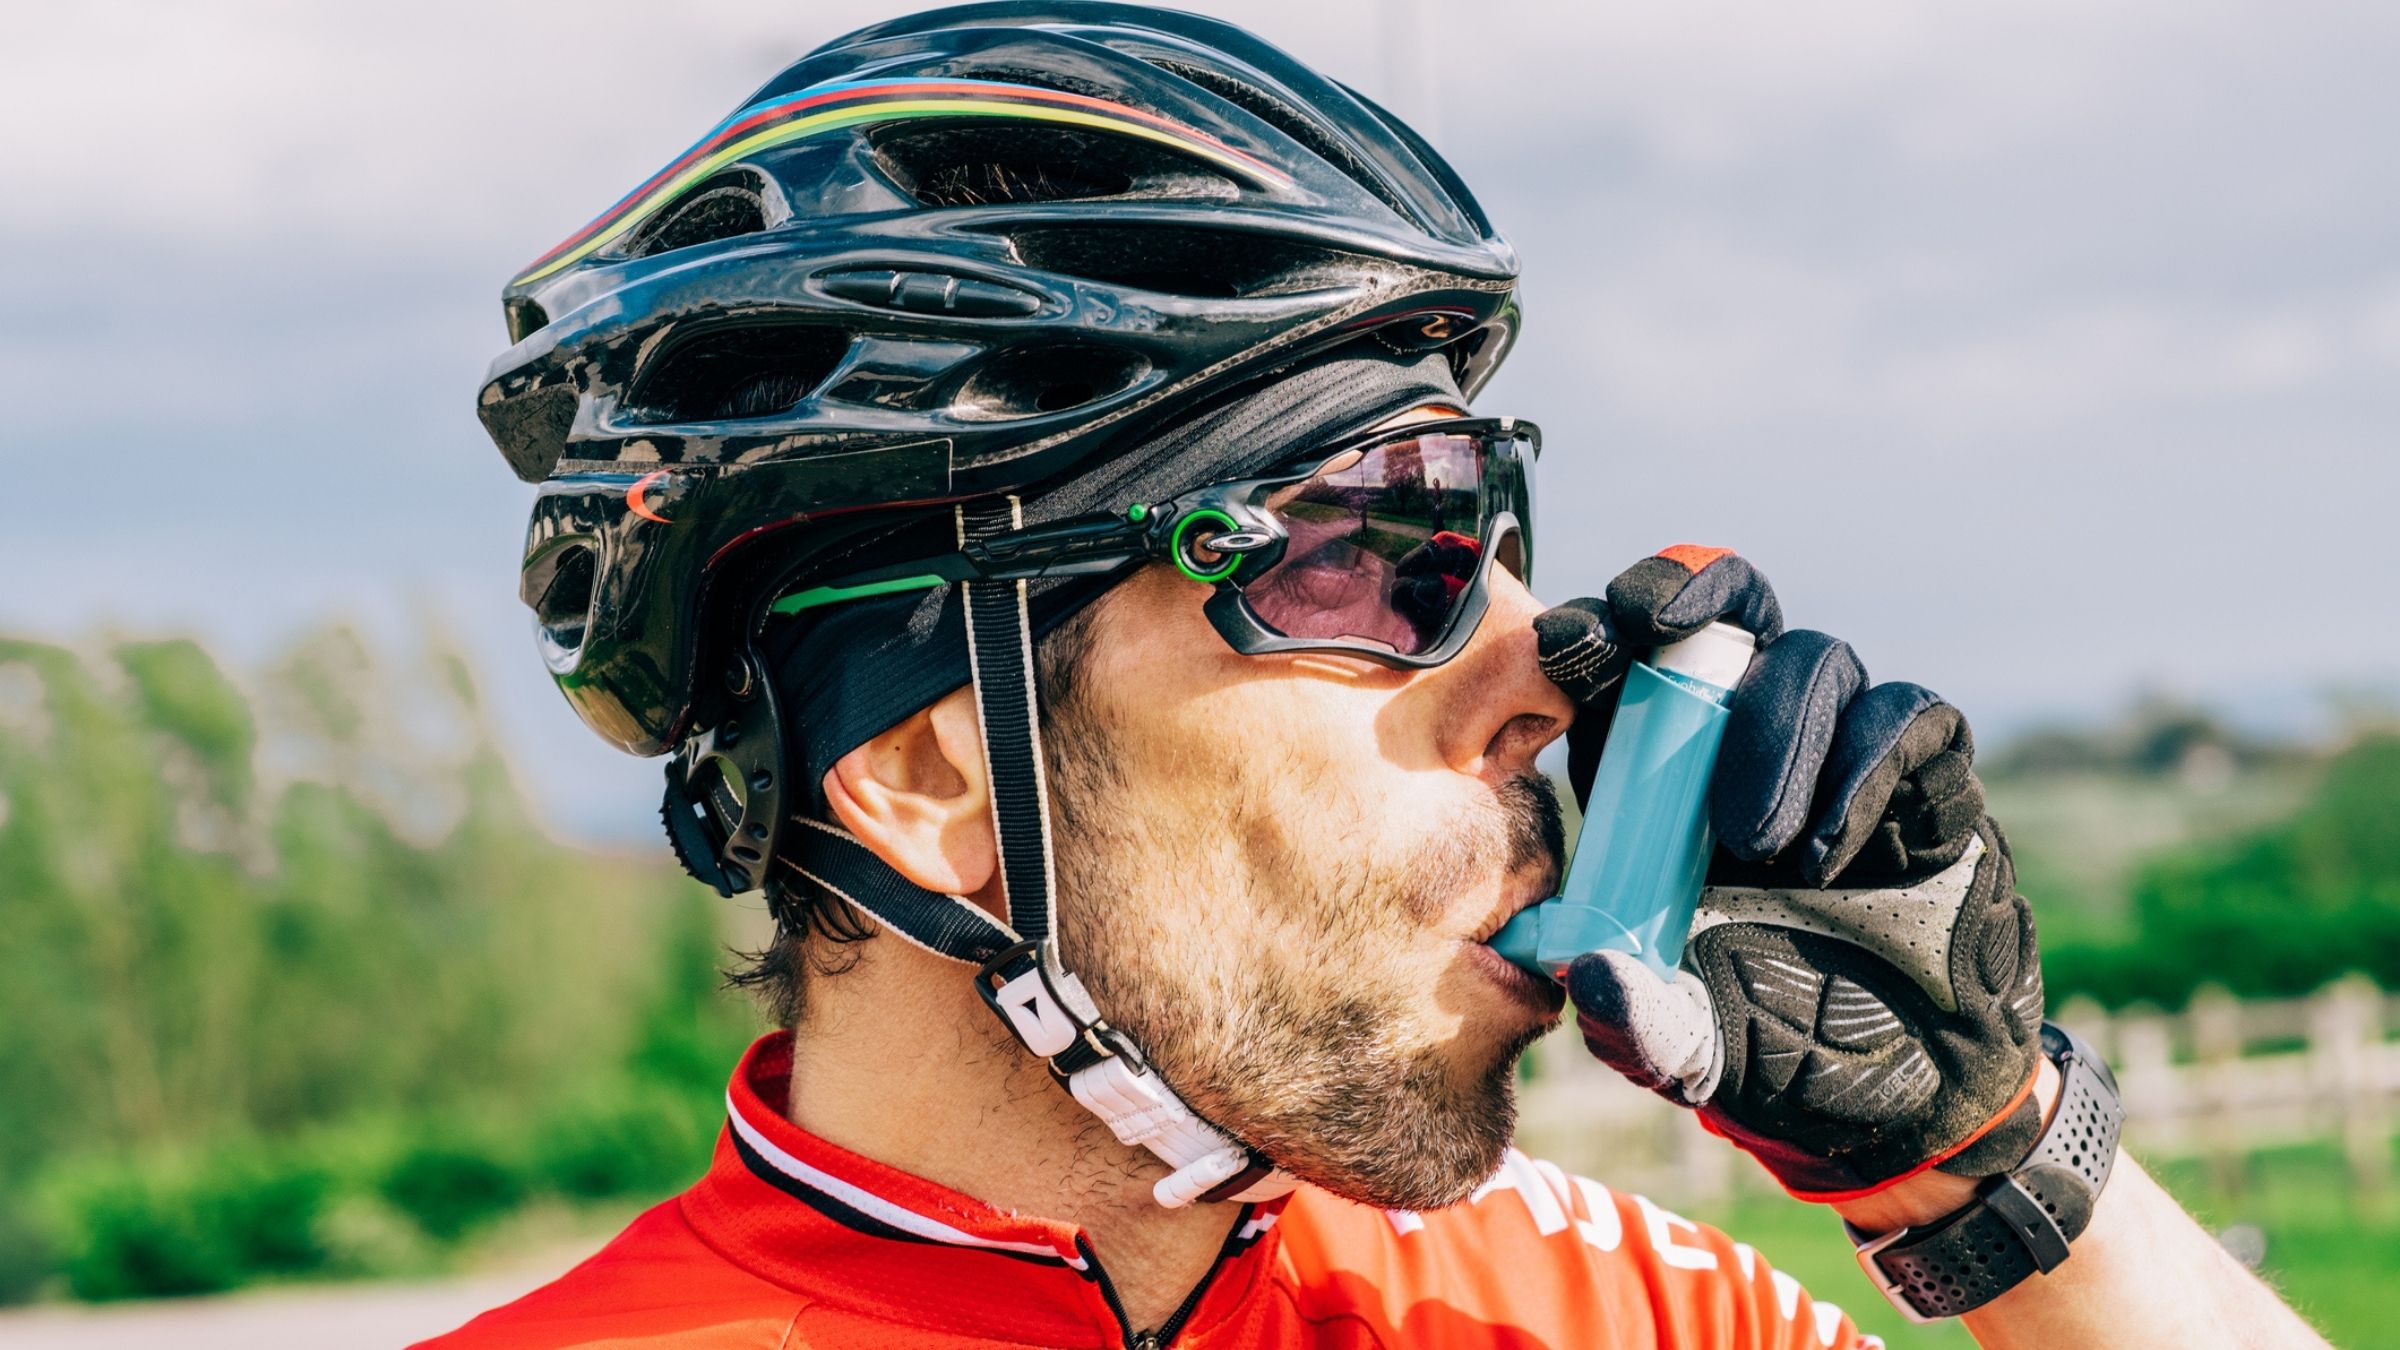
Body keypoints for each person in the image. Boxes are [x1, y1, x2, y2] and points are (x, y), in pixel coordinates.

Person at [428, 4, 2327, 1346]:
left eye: (1491, 527)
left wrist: (1992, 1167)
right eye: (1357, 548)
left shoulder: (1606, 1312)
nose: (1539, 668)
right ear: (933, 773)